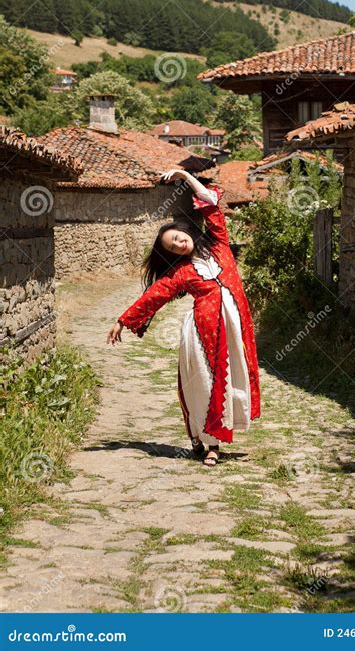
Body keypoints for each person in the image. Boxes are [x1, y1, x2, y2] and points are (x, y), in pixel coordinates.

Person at [107, 169, 261, 466]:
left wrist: (184, 175)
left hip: (234, 330)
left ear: (186, 231)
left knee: (229, 384)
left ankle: (209, 436)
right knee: (204, 384)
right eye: (172, 246)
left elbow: (209, 201)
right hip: (204, 336)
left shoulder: (219, 244)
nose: (178, 244)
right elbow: (155, 295)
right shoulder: (182, 273)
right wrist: (123, 320)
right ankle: (210, 443)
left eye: (178, 238)